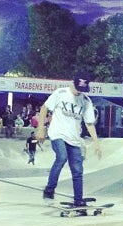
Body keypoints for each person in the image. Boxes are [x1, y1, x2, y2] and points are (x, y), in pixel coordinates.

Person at [36, 75, 102, 207]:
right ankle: (49, 189)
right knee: (62, 157)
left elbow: (89, 123)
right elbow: (44, 108)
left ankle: (78, 199)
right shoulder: (60, 93)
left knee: (78, 169)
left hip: (74, 139)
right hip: (57, 133)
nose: (79, 91)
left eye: (82, 89)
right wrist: (40, 129)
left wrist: (97, 143)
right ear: (73, 83)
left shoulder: (86, 101)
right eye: (78, 88)